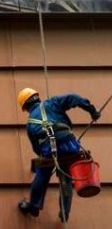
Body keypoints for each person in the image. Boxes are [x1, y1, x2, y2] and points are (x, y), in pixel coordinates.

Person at [16, 87, 100, 221]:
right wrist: (92, 110)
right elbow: (74, 97)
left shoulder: (30, 123)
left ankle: (34, 206)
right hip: (70, 145)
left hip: (50, 150)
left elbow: (36, 148)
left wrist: (43, 157)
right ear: (37, 97)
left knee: (41, 176)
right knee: (66, 178)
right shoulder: (53, 103)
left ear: (25, 107)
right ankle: (65, 212)